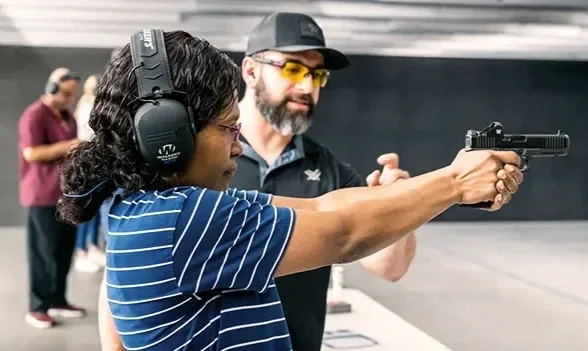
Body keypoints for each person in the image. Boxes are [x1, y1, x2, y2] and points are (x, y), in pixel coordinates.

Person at [60, 30, 523, 351]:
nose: (236, 146)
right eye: (227, 129)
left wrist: (402, 196)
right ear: (170, 136)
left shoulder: (136, 204)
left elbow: (326, 207)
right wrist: (458, 181)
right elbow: (342, 234)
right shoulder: (187, 219)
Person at [234, 12, 417, 349]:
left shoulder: (332, 173)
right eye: (292, 69)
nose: (307, 87)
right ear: (250, 70)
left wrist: (397, 203)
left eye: (317, 75)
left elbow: (389, 268)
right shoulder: (201, 158)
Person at [18, 67, 86, 329]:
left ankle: (58, 299)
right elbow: (31, 153)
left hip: (64, 194)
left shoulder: (66, 116)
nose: (71, 98)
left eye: (73, 94)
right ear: (52, 89)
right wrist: (67, 147)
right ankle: (37, 307)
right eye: (67, 93)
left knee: (63, 252)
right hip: (41, 195)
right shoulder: (34, 115)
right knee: (42, 254)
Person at [73, 74, 106, 273]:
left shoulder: (95, 106)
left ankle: (93, 247)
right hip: (87, 162)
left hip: (97, 162)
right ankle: (80, 251)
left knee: (95, 208)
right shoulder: (86, 107)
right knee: (85, 210)